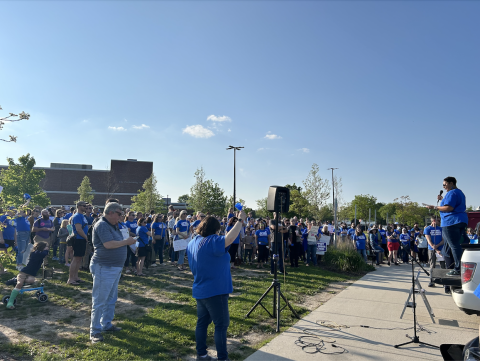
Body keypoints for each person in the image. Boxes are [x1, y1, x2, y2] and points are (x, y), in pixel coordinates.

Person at [186, 210, 246, 361]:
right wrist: (240, 221)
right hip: (215, 290)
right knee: (221, 325)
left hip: (200, 288)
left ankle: (202, 354)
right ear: (215, 230)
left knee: (202, 323)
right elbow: (230, 238)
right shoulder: (212, 241)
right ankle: (222, 358)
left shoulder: (193, 242)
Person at [89, 202, 136, 343]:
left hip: (114, 267)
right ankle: (95, 331)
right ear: (110, 213)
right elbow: (108, 245)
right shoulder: (102, 225)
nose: (122, 216)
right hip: (104, 266)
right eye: (120, 213)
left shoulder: (114, 225)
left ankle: (106, 324)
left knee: (111, 299)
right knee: (99, 300)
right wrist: (127, 242)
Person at [426, 177, 469, 276]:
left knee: (454, 246)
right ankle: (461, 266)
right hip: (461, 220)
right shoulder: (459, 192)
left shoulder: (452, 193)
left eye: (445, 184)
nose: (444, 187)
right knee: (457, 245)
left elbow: (449, 207)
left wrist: (434, 207)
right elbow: (452, 204)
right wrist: (443, 199)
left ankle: (458, 269)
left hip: (451, 222)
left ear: (451, 183)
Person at [6, 241, 49, 309]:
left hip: (32, 274)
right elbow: (44, 253)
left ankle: (15, 279)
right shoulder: (35, 253)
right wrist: (46, 250)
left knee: (31, 281)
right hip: (24, 272)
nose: (47, 248)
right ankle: (10, 302)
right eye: (46, 247)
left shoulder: (40, 253)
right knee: (19, 284)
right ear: (42, 247)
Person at [67, 201, 89, 285]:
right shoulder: (77, 216)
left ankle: (75, 277)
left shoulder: (82, 216)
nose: (86, 208)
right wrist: (86, 238)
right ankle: (70, 279)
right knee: (75, 259)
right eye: (84, 206)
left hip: (82, 239)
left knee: (79, 259)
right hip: (78, 239)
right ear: (79, 206)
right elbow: (79, 229)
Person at [424, 217, 444, 287]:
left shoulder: (440, 228)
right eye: (439, 220)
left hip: (441, 249)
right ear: (434, 221)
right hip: (431, 249)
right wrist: (435, 248)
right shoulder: (427, 229)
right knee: (432, 265)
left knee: (442, 265)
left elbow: (443, 240)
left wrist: (438, 246)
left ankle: (443, 281)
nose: (440, 221)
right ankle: (432, 281)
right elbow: (428, 240)